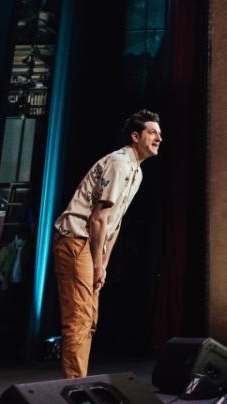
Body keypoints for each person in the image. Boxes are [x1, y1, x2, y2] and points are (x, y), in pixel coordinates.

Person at [52, 109, 162, 378]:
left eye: (160, 134)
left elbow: (115, 223)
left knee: (90, 319)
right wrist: (97, 260)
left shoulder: (136, 171)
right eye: (152, 132)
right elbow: (99, 218)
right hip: (76, 239)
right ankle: (73, 388)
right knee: (79, 317)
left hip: (91, 246)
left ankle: (77, 383)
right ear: (135, 137)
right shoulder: (120, 163)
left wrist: (104, 264)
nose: (159, 138)